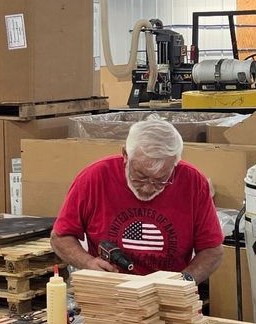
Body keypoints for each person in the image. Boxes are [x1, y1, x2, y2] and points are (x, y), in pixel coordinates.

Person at [52, 118, 225, 281]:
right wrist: (88, 263)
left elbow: (212, 250)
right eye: (140, 177)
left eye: (161, 180)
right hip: (109, 289)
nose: (148, 188)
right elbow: (60, 237)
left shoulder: (193, 182)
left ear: (175, 164)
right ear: (125, 155)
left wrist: (183, 281)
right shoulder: (95, 177)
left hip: (169, 293)